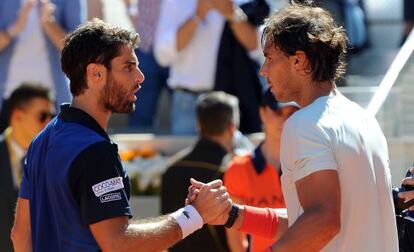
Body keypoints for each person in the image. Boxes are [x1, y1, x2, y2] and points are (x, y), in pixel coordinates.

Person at [190, 1, 399, 251]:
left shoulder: (305, 124)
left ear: (299, 61)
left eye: (269, 58)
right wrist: (233, 215)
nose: (263, 71)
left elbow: (323, 222)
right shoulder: (364, 120)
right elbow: (310, 222)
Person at [11, 20, 233, 252]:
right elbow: (118, 242)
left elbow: (20, 236)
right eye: (128, 67)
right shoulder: (94, 150)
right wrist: (194, 215)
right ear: (95, 73)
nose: (140, 77)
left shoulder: (42, 139)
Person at [154, 0, 269, 135]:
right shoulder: (176, 2)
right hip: (188, 103)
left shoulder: (246, 2)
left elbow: (259, 48)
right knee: (189, 157)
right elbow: (162, 55)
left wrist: (232, 14)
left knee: (234, 156)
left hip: (232, 103)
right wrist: (197, 15)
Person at [162, 91, 239, 252]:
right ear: (232, 127)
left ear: (198, 123)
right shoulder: (234, 170)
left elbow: (165, 230)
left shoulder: (171, 169)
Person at [224, 88, 299, 252]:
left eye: (293, 113)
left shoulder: (311, 163)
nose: (285, 119)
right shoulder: (238, 169)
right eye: (278, 112)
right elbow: (235, 236)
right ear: (263, 113)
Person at [0, 0, 86, 132]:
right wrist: (13, 29)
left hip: (53, 101)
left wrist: (49, 23)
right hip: (7, 100)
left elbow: (79, 51)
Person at [0, 84, 54, 252]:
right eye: (42, 116)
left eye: (52, 116)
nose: (49, 122)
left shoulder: (55, 158)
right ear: (17, 116)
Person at [127, 0, 169, 129]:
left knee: (183, 112)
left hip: (177, 51)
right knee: (141, 115)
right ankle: (138, 149)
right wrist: (129, 8)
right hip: (146, 47)